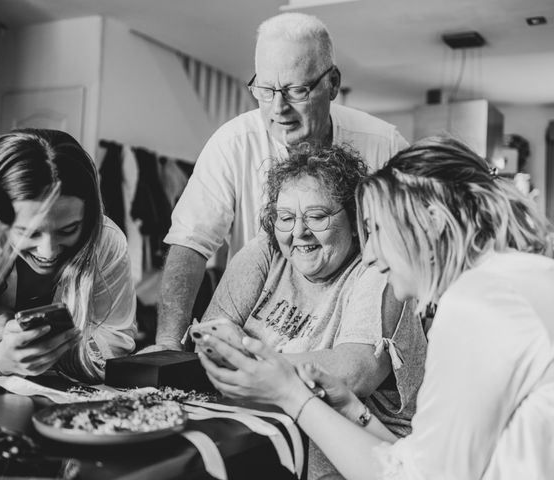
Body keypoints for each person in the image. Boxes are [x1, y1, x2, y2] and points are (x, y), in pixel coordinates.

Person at [197, 137, 554, 480]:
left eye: (378, 230)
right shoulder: (531, 280)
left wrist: (288, 393)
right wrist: (353, 410)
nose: (374, 255)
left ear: (432, 221)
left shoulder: (483, 302)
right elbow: (418, 463)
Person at [148, 12, 408, 352]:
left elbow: (419, 242)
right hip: (264, 324)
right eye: (265, 90)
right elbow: (190, 242)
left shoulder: (384, 144)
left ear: (332, 83)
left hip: (350, 331)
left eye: (296, 90)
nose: (278, 108)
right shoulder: (233, 143)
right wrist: (168, 344)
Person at [195, 143, 426, 479]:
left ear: (353, 220)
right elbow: (210, 337)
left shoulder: (378, 269)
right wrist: (226, 348)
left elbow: (353, 371)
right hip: (262, 436)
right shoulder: (266, 251)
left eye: (317, 216)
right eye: (285, 218)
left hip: (366, 459)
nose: (298, 232)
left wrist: (245, 358)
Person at [0, 129, 137, 382]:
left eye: (68, 229)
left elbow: (115, 340)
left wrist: (39, 341)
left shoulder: (107, 241)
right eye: (28, 232)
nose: (48, 251)